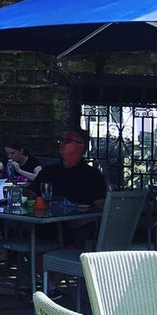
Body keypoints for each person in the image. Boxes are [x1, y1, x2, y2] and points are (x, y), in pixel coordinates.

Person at [30, 127, 106, 298]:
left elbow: (102, 206)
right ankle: (49, 288)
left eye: (67, 141)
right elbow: (31, 192)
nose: (62, 144)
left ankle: (50, 287)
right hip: (49, 221)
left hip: (78, 223)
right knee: (33, 236)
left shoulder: (92, 175)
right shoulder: (49, 171)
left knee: (73, 236)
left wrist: (88, 217)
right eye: (61, 140)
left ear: (81, 146)